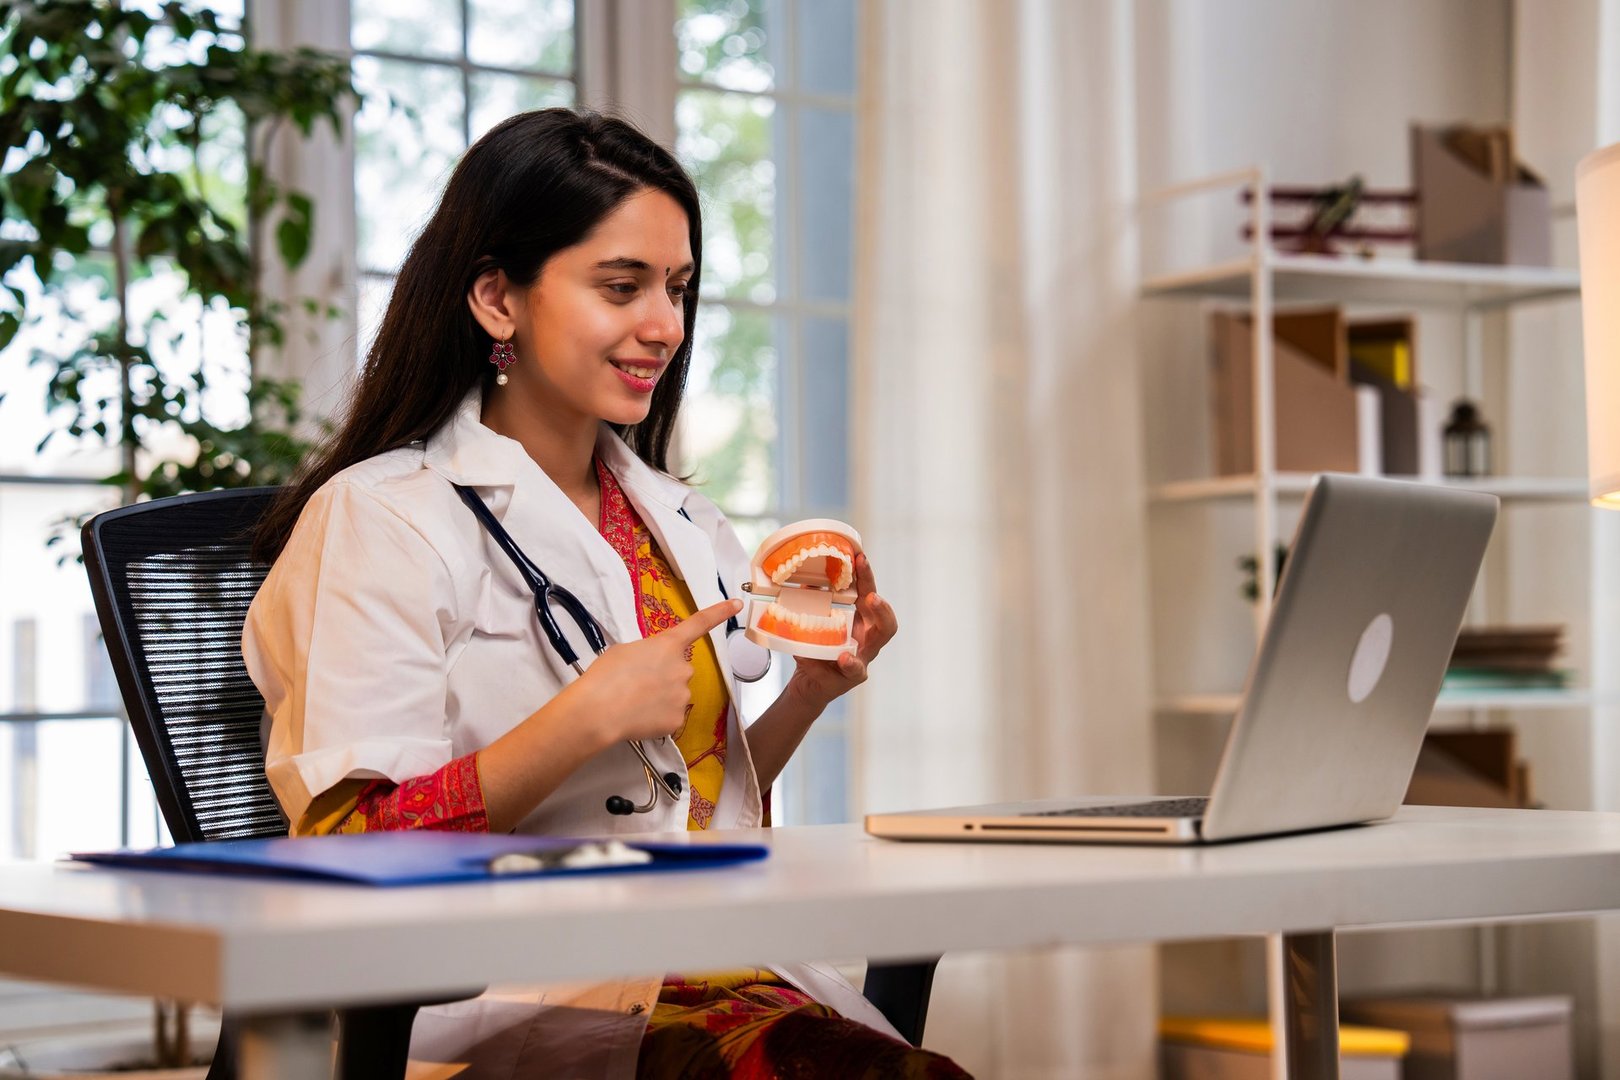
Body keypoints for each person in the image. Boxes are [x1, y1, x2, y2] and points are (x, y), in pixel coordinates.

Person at [243, 108, 969, 1079]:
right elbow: (347, 848)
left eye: (677, 288)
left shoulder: (678, 520)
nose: (665, 325)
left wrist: (808, 692)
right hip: (515, 1003)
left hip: (715, 969)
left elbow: (686, 803)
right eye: (621, 286)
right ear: (498, 299)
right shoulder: (379, 521)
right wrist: (580, 719)